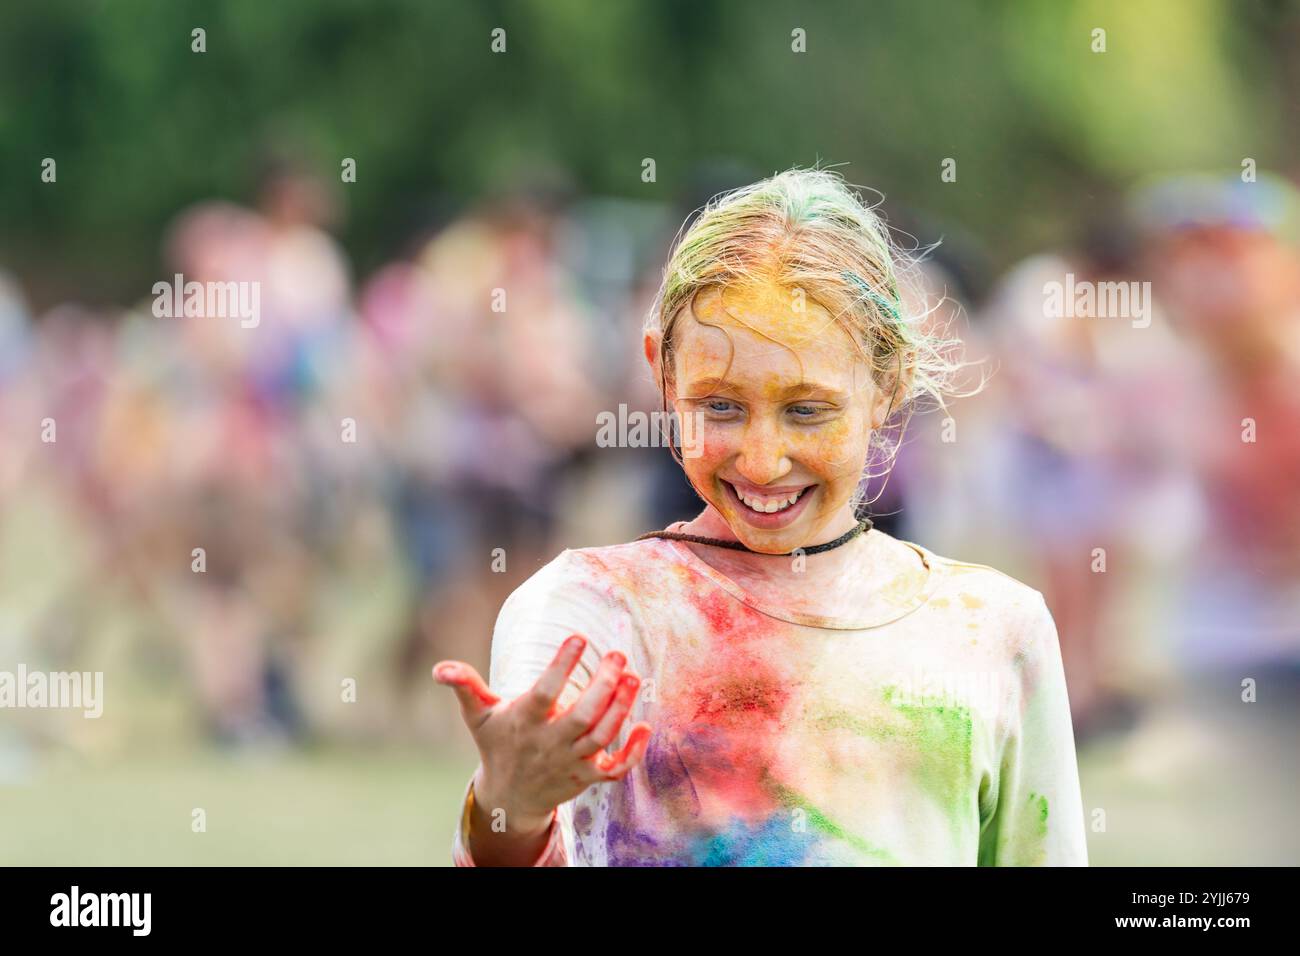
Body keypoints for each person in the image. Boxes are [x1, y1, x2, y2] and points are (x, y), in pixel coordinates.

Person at [433, 167, 1089, 866]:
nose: (763, 459)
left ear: (890, 382)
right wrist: (510, 808)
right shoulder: (592, 615)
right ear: (663, 373)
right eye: (720, 406)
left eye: (807, 410)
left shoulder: (993, 633)